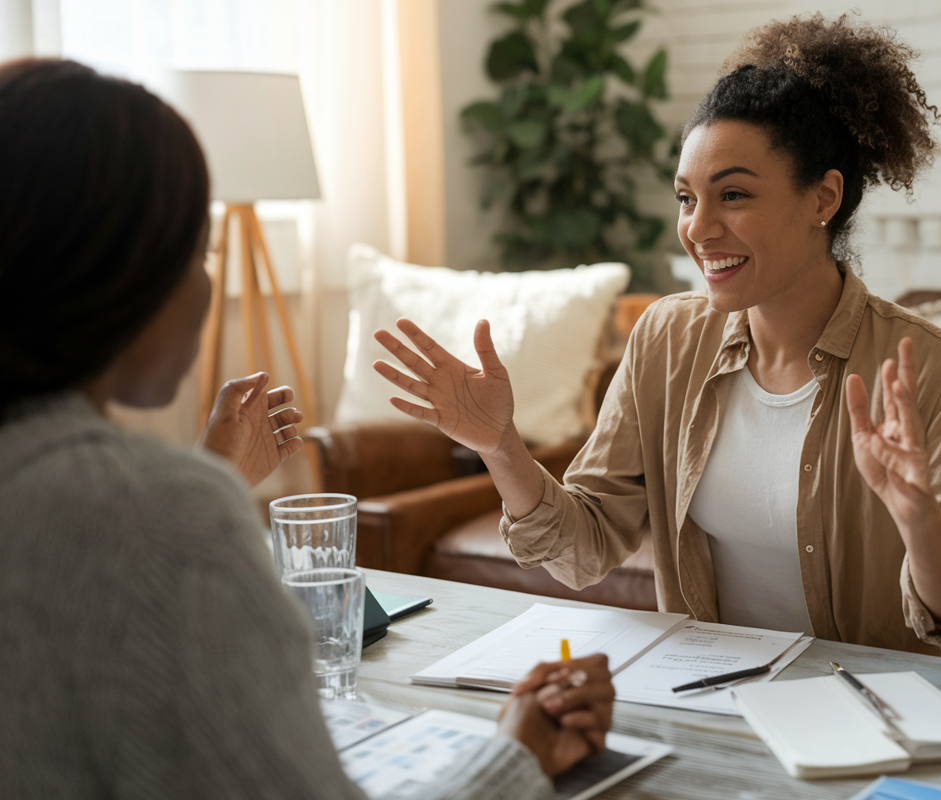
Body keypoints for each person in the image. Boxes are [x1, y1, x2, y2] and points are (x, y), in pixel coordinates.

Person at [0, 58, 613, 800]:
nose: (202, 285)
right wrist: (517, 754)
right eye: (198, 252)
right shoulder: (160, 513)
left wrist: (213, 482)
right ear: (120, 271)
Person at [374, 14, 941, 663]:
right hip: (715, 699)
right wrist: (501, 445)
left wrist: (919, 524)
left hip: (885, 713)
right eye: (686, 198)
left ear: (823, 197)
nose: (698, 229)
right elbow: (584, 548)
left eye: (732, 194)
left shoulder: (936, 372)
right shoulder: (666, 339)